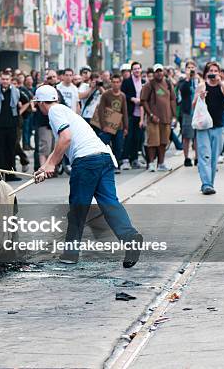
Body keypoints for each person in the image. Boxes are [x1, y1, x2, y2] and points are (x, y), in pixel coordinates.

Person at [32, 84, 143, 266]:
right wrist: (45, 166)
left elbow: (65, 138)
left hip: (86, 162)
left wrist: (52, 164)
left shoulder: (54, 111)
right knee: (110, 203)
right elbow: (62, 144)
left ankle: (70, 254)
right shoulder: (65, 110)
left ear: (41, 103)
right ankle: (130, 238)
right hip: (104, 157)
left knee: (78, 208)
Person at [193, 62, 224, 195]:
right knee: (204, 155)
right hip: (203, 126)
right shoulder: (202, 85)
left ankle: (209, 183)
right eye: (210, 71)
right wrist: (200, 97)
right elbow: (193, 104)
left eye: (215, 71)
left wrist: (221, 82)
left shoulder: (222, 85)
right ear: (206, 73)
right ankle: (206, 184)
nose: (213, 73)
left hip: (218, 125)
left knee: (213, 157)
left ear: (219, 73)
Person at [141, 64, 176, 172]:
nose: (159, 73)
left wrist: (174, 115)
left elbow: (172, 99)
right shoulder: (149, 85)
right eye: (157, 71)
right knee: (152, 142)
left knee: (163, 142)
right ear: (154, 73)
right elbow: (143, 101)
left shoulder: (168, 84)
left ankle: (161, 163)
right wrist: (151, 115)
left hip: (166, 119)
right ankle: (151, 163)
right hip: (153, 120)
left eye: (161, 71)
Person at [95, 74, 128, 171]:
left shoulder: (122, 95)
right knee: (105, 146)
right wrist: (103, 125)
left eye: (118, 82)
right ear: (111, 82)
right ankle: (105, 165)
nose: (115, 84)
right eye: (114, 82)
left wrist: (126, 127)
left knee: (118, 146)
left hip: (119, 126)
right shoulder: (106, 94)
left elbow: (124, 112)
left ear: (120, 83)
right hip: (107, 125)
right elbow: (101, 110)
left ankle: (115, 164)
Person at [121, 62, 145, 170]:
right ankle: (125, 159)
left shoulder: (144, 82)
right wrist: (132, 99)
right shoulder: (127, 82)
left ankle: (134, 159)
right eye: (134, 69)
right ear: (132, 71)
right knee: (128, 137)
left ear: (141, 70)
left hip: (140, 114)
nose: (137, 71)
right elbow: (122, 94)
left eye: (138, 69)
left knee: (137, 137)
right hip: (130, 113)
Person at [32, 70, 57, 170]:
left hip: (54, 123)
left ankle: (51, 168)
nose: (52, 79)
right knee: (44, 147)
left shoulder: (57, 90)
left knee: (53, 147)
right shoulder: (40, 89)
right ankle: (42, 168)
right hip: (43, 123)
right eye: (49, 78)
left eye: (53, 77)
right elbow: (33, 103)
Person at [177, 61, 199, 166]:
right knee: (187, 136)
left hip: (198, 112)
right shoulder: (183, 81)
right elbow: (183, 90)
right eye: (189, 68)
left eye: (192, 67)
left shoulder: (199, 80)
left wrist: (195, 77)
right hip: (188, 112)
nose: (191, 69)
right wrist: (188, 78)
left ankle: (197, 157)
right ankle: (186, 157)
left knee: (197, 136)